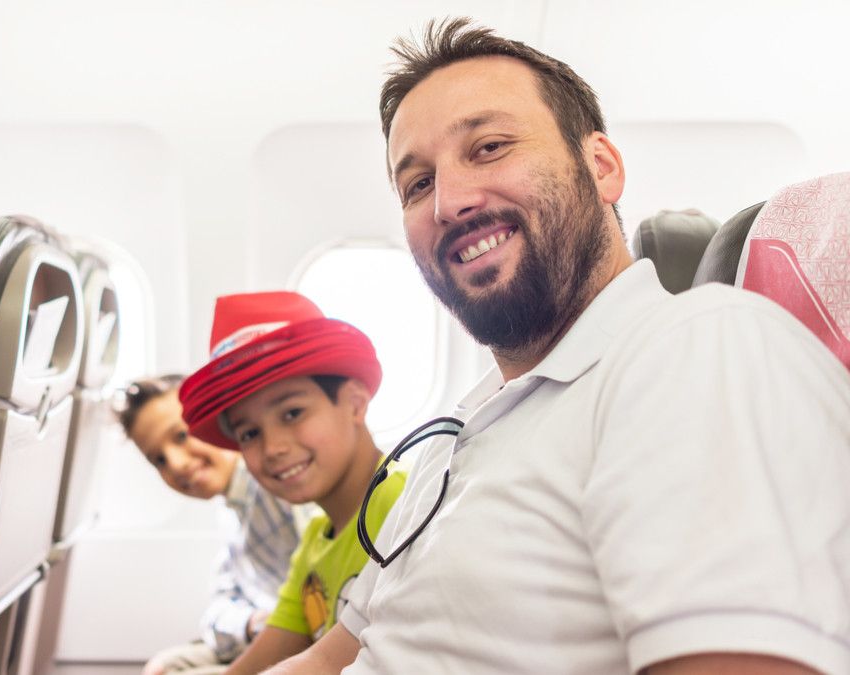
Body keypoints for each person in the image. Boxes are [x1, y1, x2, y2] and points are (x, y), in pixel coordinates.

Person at [269, 16, 850, 675]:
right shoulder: (454, 433)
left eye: (489, 147)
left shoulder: (696, 350)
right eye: (418, 184)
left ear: (601, 167)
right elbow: (333, 656)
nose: (448, 202)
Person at [178, 291, 407, 674]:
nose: (272, 448)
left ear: (354, 403)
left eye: (292, 413)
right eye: (249, 434)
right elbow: (264, 657)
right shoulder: (316, 539)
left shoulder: (404, 502)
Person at [119, 375, 304, 674]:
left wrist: (264, 625)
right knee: (162, 667)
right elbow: (219, 606)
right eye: (159, 460)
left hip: (297, 639)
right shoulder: (230, 511)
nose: (176, 463)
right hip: (262, 632)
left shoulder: (277, 485)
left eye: (181, 436)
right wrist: (251, 623)